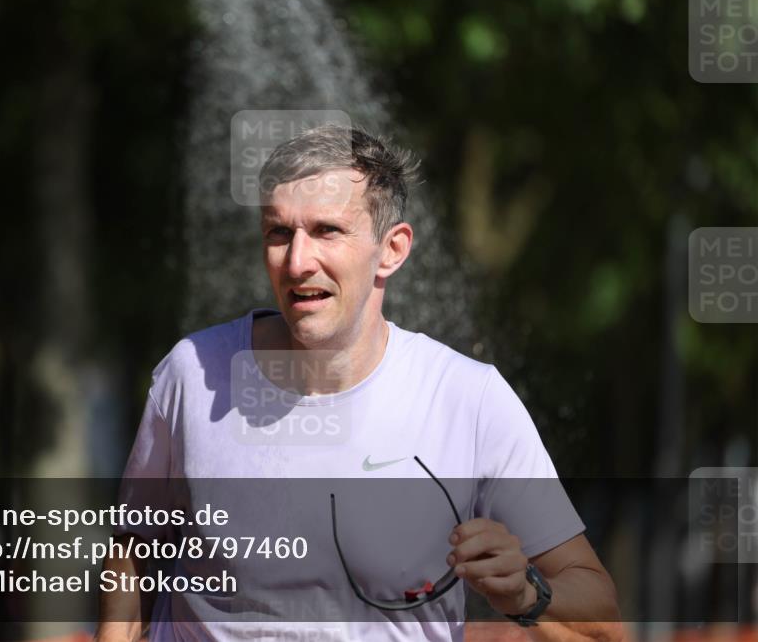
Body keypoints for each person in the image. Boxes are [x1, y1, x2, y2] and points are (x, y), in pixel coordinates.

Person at [97, 125, 621, 642]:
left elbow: (602, 618)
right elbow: (138, 548)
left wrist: (528, 593)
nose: (297, 262)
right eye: (279, 233)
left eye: (327, 230)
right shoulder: (192, 373)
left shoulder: (468, 399)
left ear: (391, 249)